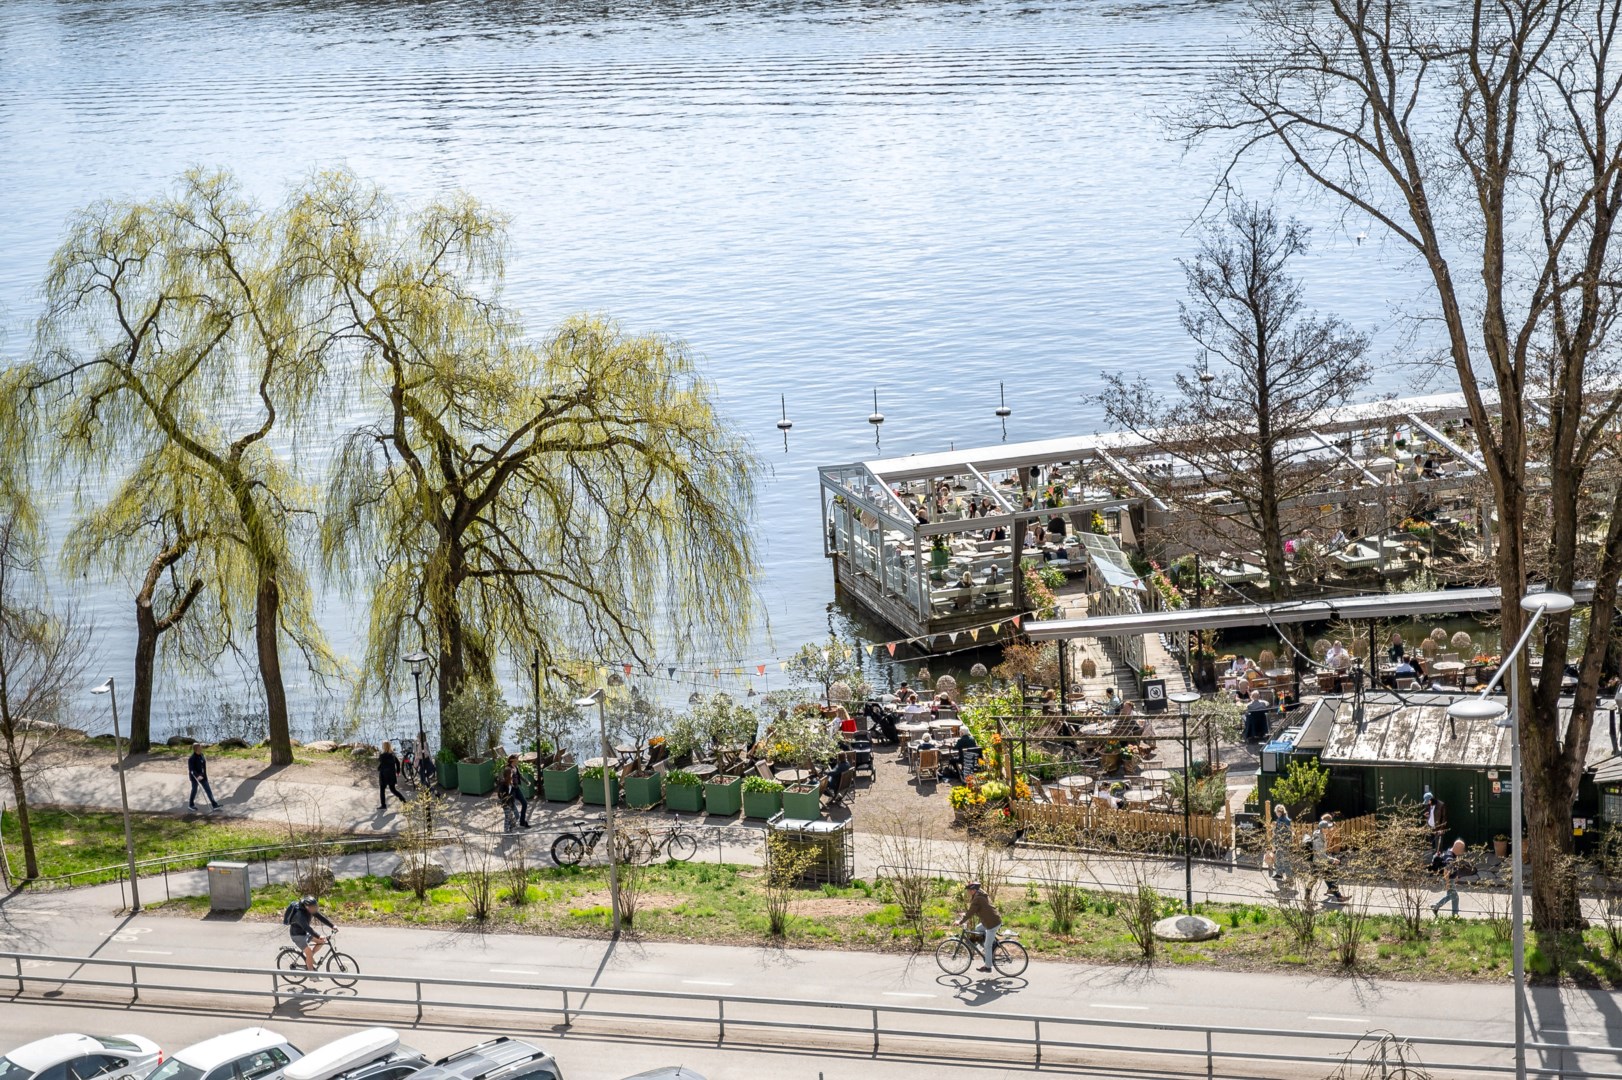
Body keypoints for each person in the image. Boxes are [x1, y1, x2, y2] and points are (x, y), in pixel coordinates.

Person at [957, 881, 1002, 974]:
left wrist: (960, 922)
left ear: (973, 890)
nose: (968, 892)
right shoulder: (980, 894)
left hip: (991, 923)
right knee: (978, 928)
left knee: (987, 946)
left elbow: (971, 912)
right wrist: (965, 915)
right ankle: (990, 946)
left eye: (969, 890)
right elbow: (973, 911)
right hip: (992, 920)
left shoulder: (978, 899)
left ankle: (988, 966)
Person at [284, 894, 335, 972]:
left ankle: (310, 957)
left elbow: (320, 917)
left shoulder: (309, 909)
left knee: (321, 941)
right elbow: (307, 928)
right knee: (309, 953)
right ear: (307, 907)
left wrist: (332, 926)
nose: (315, 908)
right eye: (313, 907)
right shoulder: (299, 915)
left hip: (304, 933)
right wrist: (318, 935)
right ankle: (311, 975)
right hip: (297, 935)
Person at [1309, 815, 1348, 902]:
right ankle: (1306, 899)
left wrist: (1331, 858)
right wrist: (1332, 860)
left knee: (1329, 878)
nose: (1330, 829)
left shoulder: (1322, 835)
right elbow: (1320, 853)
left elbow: (1323, 853)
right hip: (1317, 863)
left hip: (1321, 862)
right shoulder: (1318, 837)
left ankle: (1339, 897)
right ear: (1323, 829)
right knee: (1312, 881)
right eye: (1328, 828)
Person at [1431, 838, 1468, 917]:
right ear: (1457, 848)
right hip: (1448, 879)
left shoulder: (1450, 852)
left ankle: (1436, 907)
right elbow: (1446, 871)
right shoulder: (1449, 858)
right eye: (1461, 849)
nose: (1462, 851)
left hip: (1450, 879)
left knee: (1451, 896)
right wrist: (1447, 883)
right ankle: (1454, 915)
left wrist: (1456, 875)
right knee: (1455, 897)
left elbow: (1453, 868)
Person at [498, 753, 530, 831]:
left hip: (516, 787)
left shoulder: (516, 767)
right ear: (513, 760)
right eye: (517, 759)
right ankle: (509, 826)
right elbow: (504, 779)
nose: (518, 760)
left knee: (524, 803)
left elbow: (520, 776)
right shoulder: (508, 769)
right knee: (510, 807)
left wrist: (527, 781)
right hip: (510, 789)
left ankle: (522, 822)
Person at [187, 743, 220, 812]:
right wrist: (197, 776)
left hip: (203, 776)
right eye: (200, 748)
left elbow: (203, 766)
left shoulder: (201, 755)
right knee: (194, 790)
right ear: (196, 749)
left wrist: (203, 775)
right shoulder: (191, 759)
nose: (201, 748)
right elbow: (191, 770)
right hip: (195, 778)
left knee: (208, 790)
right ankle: (191, 805)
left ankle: (214, 805)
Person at [377, 741, 406, 811]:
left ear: (383, 747)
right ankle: (403, 799)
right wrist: (398, 771)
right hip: (391, 775)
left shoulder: (382, 755)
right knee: (393, 789)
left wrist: (379, 768)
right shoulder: (393, 755)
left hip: (384, 775)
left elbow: (381, 763)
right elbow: (398, 763)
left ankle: (383, 805)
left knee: (382, 790)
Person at [1268, 804, 1293, 882]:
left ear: (1282, 812)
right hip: (1282, 843)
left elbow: (1282, 833)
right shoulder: (1282, 819)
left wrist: (1274, 831)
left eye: (1279, 812)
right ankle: (1279, 874)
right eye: (1277, 812)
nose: (1277, 813)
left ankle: (1289, 877)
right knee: (1278, 858)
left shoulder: (1283, 820)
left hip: (1284, 844)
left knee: (1285, 860)